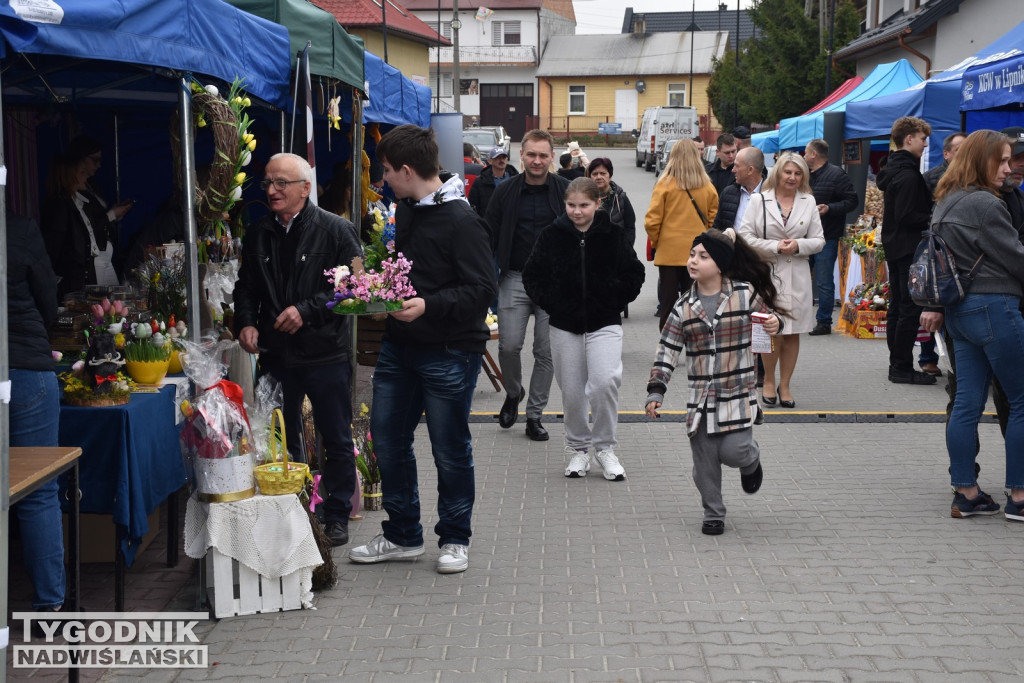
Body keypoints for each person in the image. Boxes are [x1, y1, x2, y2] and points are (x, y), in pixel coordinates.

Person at [348, 125, 496, 573]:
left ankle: (455, 538)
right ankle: (402, 535)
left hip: (450, 351)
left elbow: (482, 291)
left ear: (408, 170)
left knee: (449, 448)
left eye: (387, 171)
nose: (382, 180)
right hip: (400, 348)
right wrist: (378, 290)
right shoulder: (407, 208)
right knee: (387, 439)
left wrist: (428, 305)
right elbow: (412, 271)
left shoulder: (463, 220)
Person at [233, 152, 362, 547]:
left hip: (325, 352)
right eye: (268, 182)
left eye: (281, 183)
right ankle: (290, 510)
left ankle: (336, 515)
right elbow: (246, 286)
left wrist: (306, 310)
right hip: (276, 354)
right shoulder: (258, 233)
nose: (272, 190)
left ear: (305, 188)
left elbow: (354, 286)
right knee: (279, 437)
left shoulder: (337, 230)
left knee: (335, 436)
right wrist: (246, 322)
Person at [645, 228, 782, 535]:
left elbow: (771, 319)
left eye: (703, 256)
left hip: (737, 394)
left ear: (720, 265)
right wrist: (656, 390)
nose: (693, 260)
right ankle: (713, 513)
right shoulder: (683, 306)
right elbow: (667, 350)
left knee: (735, 451)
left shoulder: (744, 294)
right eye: (692, 254)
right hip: (701, 400)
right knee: (705, 462)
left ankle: (751, 460)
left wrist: (775, 323)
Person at [926, 129, 1024, 521]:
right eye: (1002, 160)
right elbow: (1015, 257)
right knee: (1021, 400)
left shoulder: (947, 200)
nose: (1008, 169)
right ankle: (1020, 495)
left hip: (961, 311)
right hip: (995, 307)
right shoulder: (985, 203)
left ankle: (966, 492)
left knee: (967, 403)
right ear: (982, 160)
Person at [522, 178, 644, 480]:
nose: (577, 211)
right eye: (571, 205)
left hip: (605, 322)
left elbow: (635, 272)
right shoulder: (551, 235)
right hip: (564, 324)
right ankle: (578, 449)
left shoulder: (613, 234)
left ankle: (605, 447)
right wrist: (555, 302)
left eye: (584, 205)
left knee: (604, 382)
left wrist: (613, 299)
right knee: (573, 391)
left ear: (597, 203)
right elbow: (532, 275)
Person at [485, 129, 570, 441]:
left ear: (552, 157)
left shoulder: (565, 190)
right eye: (531, 154)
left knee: (546, 352)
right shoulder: (504, 191)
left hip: (553, 282)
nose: (537, 160)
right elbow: (488, 235)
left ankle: (535, 415)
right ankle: (513, 392)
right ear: (521, 155)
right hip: (515, 277)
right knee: (508, 346)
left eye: (543, 155)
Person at [6, 212, 66, 631]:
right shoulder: (20, 228)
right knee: (39, 491)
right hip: (25, 367)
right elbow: (47, 298)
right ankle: (49, 606)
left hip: (22, 362)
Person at [738, 152, 825, 409]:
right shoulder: (759, 200)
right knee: (771, 331)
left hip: (798, 275)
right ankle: (768, 380)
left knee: (793, 332)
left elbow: (819, 240)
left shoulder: (808, 201)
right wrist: (775, 246)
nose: (792, 177)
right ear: (778, 173)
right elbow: (745, 236)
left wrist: (798, 245)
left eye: (798, 173)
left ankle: (785, 385)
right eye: (788, 172)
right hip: (768, 275)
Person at [877, 116, 937, 386]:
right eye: (923, 139)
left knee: (898, 307)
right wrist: (932, 217)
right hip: (908, 248)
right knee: (909, 309)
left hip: (896, 246)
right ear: (909, 139)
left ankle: (897, 363)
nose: (925, 144)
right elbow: (906, 215)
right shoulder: (908, 174)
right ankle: (900, 366)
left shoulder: (895, 169)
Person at [646, 137, 718, 330]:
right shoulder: (708, 186)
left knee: (668, 305)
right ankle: (694, 340)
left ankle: (668, 343)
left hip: (668, 253)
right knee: (695, 302)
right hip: (698, 254)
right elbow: (713, 221)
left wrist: (658, 243)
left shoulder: (664, 184)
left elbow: (652, 221)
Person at [41, 152, 128, 299]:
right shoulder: (58, 206)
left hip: (87, 276)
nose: (86, 176)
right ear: (69, 176)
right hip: (71, 281)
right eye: (82, 172)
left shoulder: (82, 203)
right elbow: (53, 247)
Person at [803, 139, 859, 336]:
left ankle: (824, 322)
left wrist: (830, 208)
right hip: (804, 237)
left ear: (814, 154)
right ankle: (799, 318)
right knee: (800, 279)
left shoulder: (836, 174)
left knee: (824, 281)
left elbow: (852, 200)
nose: (803, 156)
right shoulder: (805, 175)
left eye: (806, 152)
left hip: (827, 236)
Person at [586, 156, 637, 247]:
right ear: (590, 176)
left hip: (616, 250)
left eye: (603, 173)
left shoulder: (620, 197)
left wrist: (626, 248)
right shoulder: (584, 198)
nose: (599, 177)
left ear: (610, 176)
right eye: (595, 174)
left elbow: (630, 226)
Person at [712, 146, 765, 231]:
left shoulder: (773, 195)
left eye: (737, 166)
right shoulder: (728, 193)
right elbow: (717, 228)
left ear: (750, 170)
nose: (733, 170)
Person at [469, 146, 517, 217]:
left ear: (507, 160)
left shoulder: (515, 179)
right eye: (497, 157)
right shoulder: (480, 181)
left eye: (503, 157)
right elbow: (473, 205)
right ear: (490, 161)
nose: (501, 160)